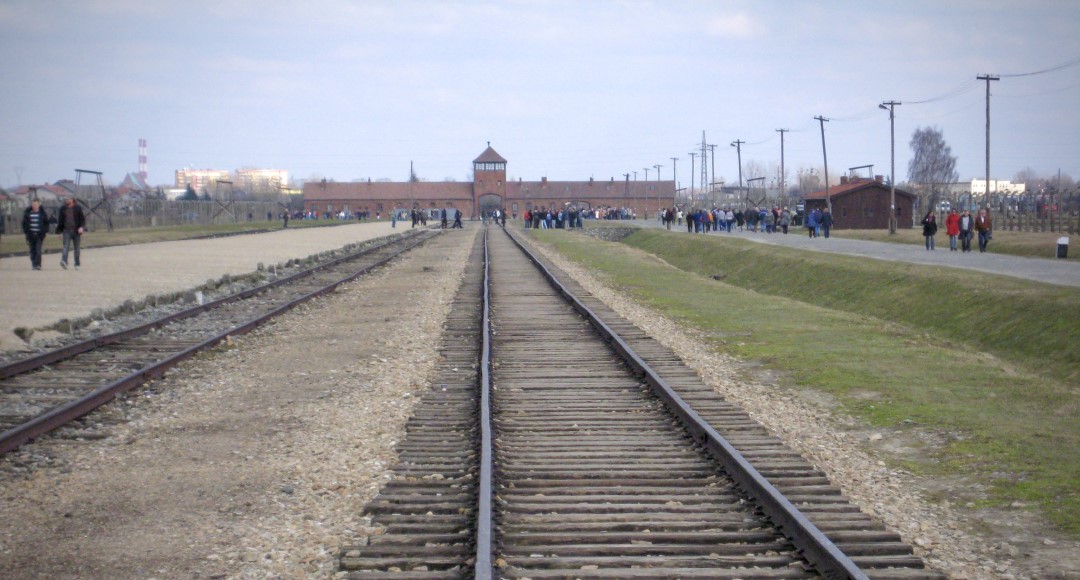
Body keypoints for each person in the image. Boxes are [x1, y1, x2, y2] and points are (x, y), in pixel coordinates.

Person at [55, 196, 86, 269]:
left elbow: (82, 219)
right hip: (66, 231)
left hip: (76, 231)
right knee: (66, 247)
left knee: (77, 248)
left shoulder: (77, 208)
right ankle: (64, 261)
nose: (66, 200)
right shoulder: (62, 208)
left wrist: (81, 227)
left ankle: (77, 264)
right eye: (65, 199)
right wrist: (59, 232)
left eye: (67, 199)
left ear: (72, 200)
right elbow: (60, 221)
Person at [22, 198, 50, 270]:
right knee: (32, 250)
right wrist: (26, 232)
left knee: (38, 250)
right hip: (30, 235)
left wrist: (45, 232)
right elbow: (24, 224)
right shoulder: (28, 213)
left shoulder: (42, 213)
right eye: (33, 204)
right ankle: (34, 264)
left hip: (39, 235)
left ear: (39, 204)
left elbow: (46, 223)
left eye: (36, 204)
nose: (34, 205)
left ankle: (38, 264)